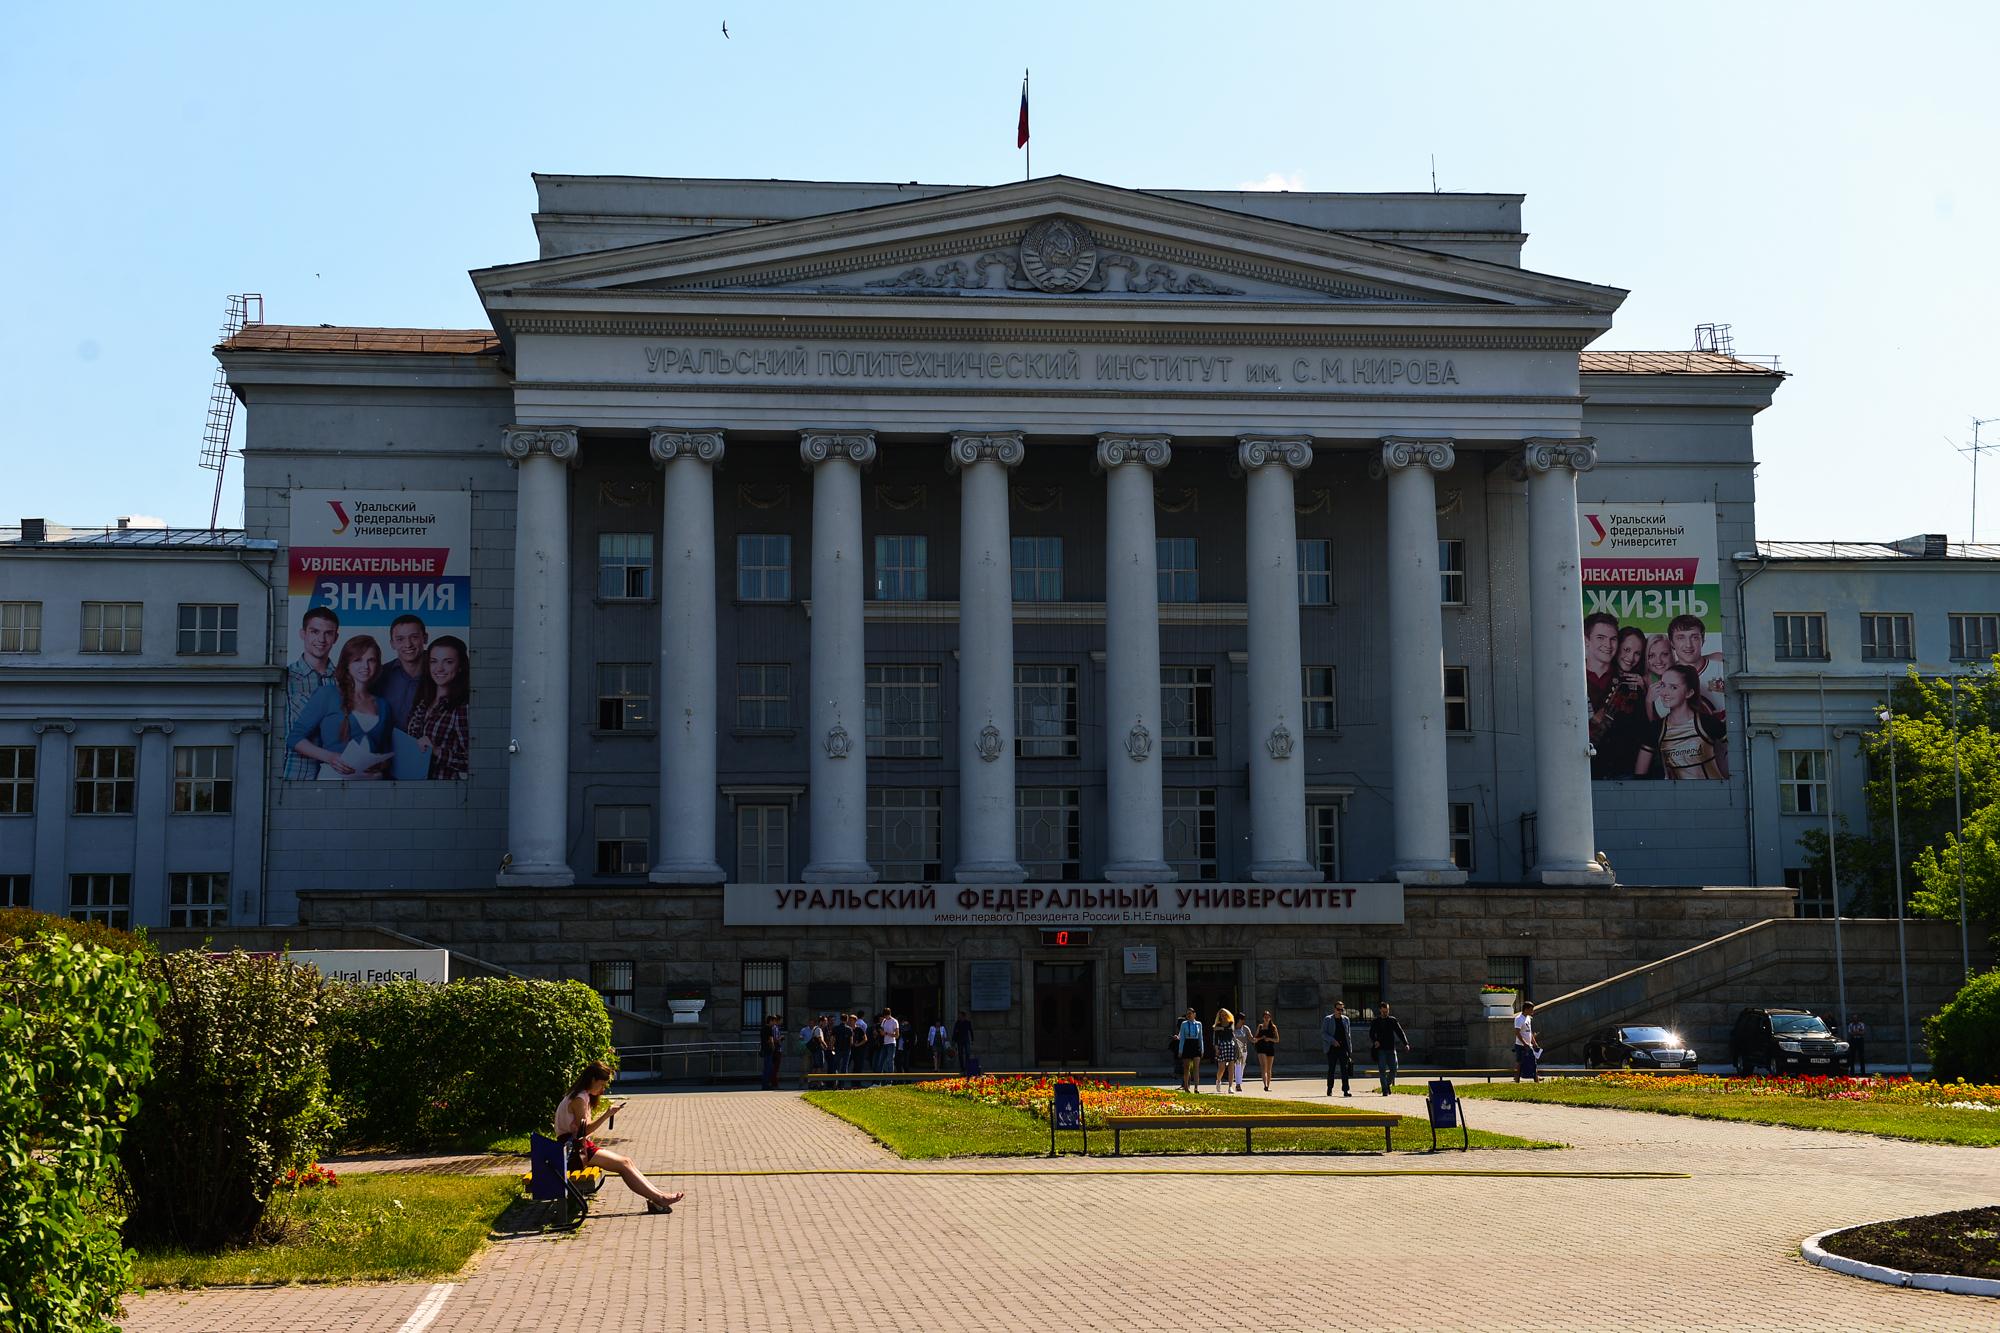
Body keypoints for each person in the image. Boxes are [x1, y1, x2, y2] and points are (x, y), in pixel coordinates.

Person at [555, 1060, 683, 1215]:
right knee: (623, 1164)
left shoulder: (581, 1095)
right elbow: (585, 1130)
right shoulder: (579, 1099)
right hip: (572, 1149)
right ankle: (659, 1198)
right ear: (593, 1080)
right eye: (601, 1085)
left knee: (626, 1161)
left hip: (575, 1146)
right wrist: (606, 1115)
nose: (603, 1090)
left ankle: (658, 1197)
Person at [287, 635, 395, 779]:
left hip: (373, 784)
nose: (365, 666)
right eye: (358, 660)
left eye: (371, 660)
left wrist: (382, 764)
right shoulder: (327, 695)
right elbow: (294, 738)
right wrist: (329, 757)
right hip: (335, 780)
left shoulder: (383, 705)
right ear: (346, 664)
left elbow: (386, 750)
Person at [1634, 664, 1728, 780]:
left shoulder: (1707, 723)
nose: (1664, 693)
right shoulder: (1656, 729)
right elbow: (1639, 776)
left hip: (1713, 795)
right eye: (1663, 685)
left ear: (1689, 693)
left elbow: (1737, 752)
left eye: (1673, 687)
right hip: (1675, 796)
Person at [283, 607, 339, 780]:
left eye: (328, 633)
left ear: (335, 638)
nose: (321, 639)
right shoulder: (286, 678)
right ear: (302, 633)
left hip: (334, 777)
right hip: (293, 775)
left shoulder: (344, 682)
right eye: (314, 631)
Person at [405, 635, 471, 780]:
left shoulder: (462, 708)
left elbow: (474, 762)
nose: (439, 668)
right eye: (434, 662)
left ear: (460, 666)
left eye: (448, 662)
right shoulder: (423, 701)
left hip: (443, 787)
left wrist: (435, 750)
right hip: (414, 783)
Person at [1593, 626, 1653, 778]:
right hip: (1591, 766)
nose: (1631, 658)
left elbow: (1646, 732)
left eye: (1637, 653)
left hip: (1624, 769)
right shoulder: (1599, 674)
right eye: (1626, 650)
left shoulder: (1637, 684)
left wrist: (1645, 692)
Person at [372, 613, 430, 725]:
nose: (408, 644)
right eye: (400, 639)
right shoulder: (380, 675)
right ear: (392, 644)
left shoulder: (440, 673)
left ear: (425, 638)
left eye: (414, 637)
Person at [1667, 613, 1727, 715]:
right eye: (1681, 638)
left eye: (1694, 637)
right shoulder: (1667, 678)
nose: (1688, 645)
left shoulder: (1721, 666)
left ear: (1702, 640)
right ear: (1672, 643)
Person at [1369, 1002, 1410, 1096]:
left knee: (1394, 1068)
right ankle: (1384, 1090)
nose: (1385, 1013)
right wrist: (1375, 1041)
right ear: (1380, 1010)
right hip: (1380, 1049)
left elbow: (1400, 1032)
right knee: (1382, 1070)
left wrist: (1406, 1043)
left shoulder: (1392, 1020)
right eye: (1383, 1011)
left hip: (1391, 1048)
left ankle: (1387, 1084)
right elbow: (1371, 1033)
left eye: (1387, 1011)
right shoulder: (1376, 1021)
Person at [1321, 1001, 1354, 1097]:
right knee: (1331, 1069)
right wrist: (1332, 1041)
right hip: (1332, 1048)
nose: (1340, 1011)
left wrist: (1350, 1050)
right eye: (1338, 1009)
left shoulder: (1346, 1019)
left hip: (1343, 1048)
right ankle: (1329, 1089)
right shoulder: (1328, 1019)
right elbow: (1323, 1033)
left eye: (1342, 1009)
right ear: (1334, 1009)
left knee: (1344, 1070)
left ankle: (1345, 1090)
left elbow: (1348, 1035)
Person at [1175, 1007, 1205, 1092]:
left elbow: (1200, 1037)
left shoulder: (1199, 1024)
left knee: (1196, 1068)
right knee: (1186, 1067)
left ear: (1194, 1014)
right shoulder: (1184, 1024)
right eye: (1187, 1013)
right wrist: (1180, 1050)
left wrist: (1202, 1049)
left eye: (1190, 1013)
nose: (1188, 1015)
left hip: (1196, 1045)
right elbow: (1182, 1038)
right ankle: (1186, 1087)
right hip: (1187, 1045)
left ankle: (1196, 1087)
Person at [1512, 1000, 1542, 1083]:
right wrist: (1524, 1043)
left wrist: (1534, 1043)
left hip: (1529, 1045)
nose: (1533, 1011)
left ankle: (1536, 1080)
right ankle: (1517, 1080)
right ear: (1526, 1009)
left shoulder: (1528, 1018)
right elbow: (1517, 1032)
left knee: (1533, 1062)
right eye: (1531, 1009)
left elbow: (1530, 1032)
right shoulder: (1518, 1019)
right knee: (1520, 1063)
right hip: (1520, 1045)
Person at [1211, 1008, 1239, 1095]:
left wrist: (1220, 1028)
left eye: (1225, 1014)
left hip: (1231, 1046)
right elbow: (1215, 1040)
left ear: (1228, 1015)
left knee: (1231, 1068)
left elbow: (1231, 1032)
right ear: (1219, 1016)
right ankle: (1218, 1080)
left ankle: (1230, 1086)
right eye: (1221, 1015)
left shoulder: (1231, 1023)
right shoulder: (1217, 1025)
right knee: (1221, 1068)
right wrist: (1216, 1049)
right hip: (1221, 1046)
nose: (1223, 1016)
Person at [1254, 1010, 1280, 1091]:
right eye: (1265, 1017)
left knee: (1269, 1069)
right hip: (1261, 1048)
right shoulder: (1260, 1026)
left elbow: (1277, 1040)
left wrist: (1269, 1039)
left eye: (1268, 1017)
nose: (1266, 1018)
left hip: (1270, 1048)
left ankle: (1268, 1086)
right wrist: (1261, 1038)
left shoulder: (1273, 1027)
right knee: (1263, 1067)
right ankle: (1265, 1085)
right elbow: (1255, 1039)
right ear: (1263, 1018)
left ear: (1270, 1018)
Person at [760, 1014, 785, 1090]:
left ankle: (765, 1085)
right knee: (769, 1068)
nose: (774, 1022)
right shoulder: (769, 1028)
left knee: (766, 1068)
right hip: (769, 1050)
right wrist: (774, 1047)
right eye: (773, 1021)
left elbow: (764, 1039)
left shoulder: (763, 1028)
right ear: (770, 1021)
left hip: (765, 1049)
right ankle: (767, 1085)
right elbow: (771, 1039)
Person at [1232, 1013, 1254, 1092]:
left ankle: (1238, 1082)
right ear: (1239, 1019)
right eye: (1243, 1019)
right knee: (1237, 1066)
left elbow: (1251, 1038)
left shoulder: (1245, 1028)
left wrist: (1258, 1039)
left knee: (1242, 1067)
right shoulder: (1233, 1028)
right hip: (1236, 1051)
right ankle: (1238, 1085)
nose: (1244, 1021)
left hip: (1244, 1051)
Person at [876, 1008, 900, 1074]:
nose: (885, 1017)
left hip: (891, 1043)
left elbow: (897, 1035)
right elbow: (882, 1031)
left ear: (889, 1014)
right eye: (884, 1016)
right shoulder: (884, 1021)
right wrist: (881, 1032)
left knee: (890, 1061)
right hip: (884, 1043)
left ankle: (890, 1081)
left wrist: (886, 1033)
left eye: (886, 1016)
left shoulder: (894, 1021)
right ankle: (878, 1082)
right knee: (881, 1061)